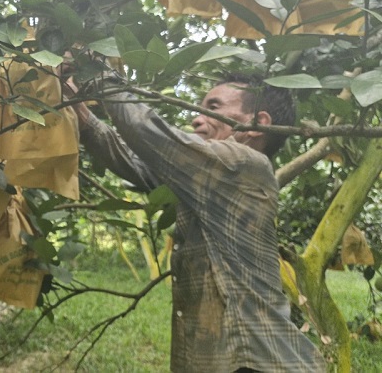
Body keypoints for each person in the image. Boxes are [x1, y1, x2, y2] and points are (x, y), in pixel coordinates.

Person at [67, 72, 326, 372]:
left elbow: (151, 134)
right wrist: (81, 114)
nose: (196, 119)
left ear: (258, 124)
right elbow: (133, 162)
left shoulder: (245, 163)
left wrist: (99, 73)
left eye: (212, 108)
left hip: (259, 361)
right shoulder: (206, 182)